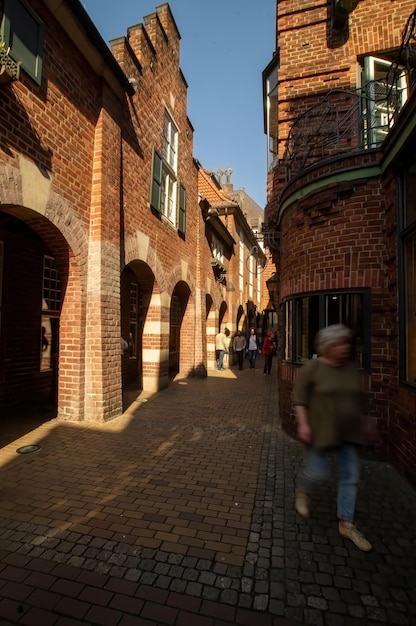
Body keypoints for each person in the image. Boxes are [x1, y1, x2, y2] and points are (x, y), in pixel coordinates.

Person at [293, 324, 372, 552]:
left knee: (350, 477)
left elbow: (359, 398)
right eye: (340, 344)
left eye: (347, 343)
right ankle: (302, 490)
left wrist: (365, 420)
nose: (346, 348)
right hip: (321, 432)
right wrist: (304, 423)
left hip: (349, 433)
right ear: (328, 346)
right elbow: (299, 399)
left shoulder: (350, 369)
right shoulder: (313, 368)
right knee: (317, 472)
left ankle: (346, 523)